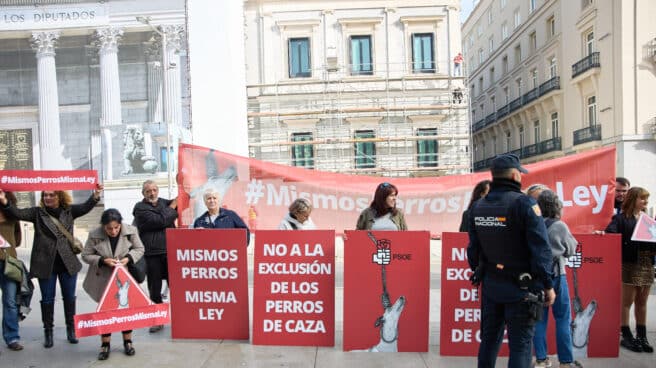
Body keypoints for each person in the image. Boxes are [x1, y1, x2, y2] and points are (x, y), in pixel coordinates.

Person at [467, 153, 555, 368]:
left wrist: (482, 272)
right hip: (522, 288)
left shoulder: (478, 207)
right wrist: (548, 284)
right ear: (516, 175)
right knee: (520, 346)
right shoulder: (525, 204)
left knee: (488, 341)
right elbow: (541, 249)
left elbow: (473, 250)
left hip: (491, 285)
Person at [0, 185, 102, 348]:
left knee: (69, 298)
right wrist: (5, 201)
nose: (47, 198)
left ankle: (71, 330)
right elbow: (17, 213)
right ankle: (48, 332)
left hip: (67, 264)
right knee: (47, 299)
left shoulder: (69, 211)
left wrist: (96, 195)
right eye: (45, 195)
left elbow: (85, 207)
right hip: (45, 264)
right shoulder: (37, 213)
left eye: (51, 195)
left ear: (59, 196)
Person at [81, 209, 144, 360]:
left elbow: (139, 248)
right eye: (109, 228)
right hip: (103, 277)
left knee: (125, 310)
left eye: (116, 227)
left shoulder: (131, 231)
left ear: (120, 224)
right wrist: (102, 261)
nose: (113, 231)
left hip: (124, 275)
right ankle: (105, 344)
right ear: (103, 226)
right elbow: (85, 255)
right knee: (105, 311)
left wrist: (128, 258)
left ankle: (128, 341)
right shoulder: (94, 234)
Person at [532, 190, 581, 368]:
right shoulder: (560, 226)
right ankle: (566, 362)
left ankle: (541, 359)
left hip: (536, 277)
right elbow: (571, 249)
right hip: (556, 275)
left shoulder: (533, 224)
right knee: (562, 319)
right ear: (557, 206)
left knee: (538, 319)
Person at [602, 187, 654, 353]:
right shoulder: (620, 218)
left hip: (646, 263)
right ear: (633, 199)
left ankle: (642, 335)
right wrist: (602, 234)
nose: (645, 201)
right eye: (642, 198)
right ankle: (626, 334)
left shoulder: (648, 219)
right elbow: (610, 234)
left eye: (647, 199)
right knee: (627, 302)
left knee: (642, 302)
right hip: (628, 263)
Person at [132, 180, 177, 333]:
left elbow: (183, 201)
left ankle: (179, 319)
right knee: (154, 288)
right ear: (143, 193)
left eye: (154, 190)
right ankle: (158, 319)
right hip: (152, 254)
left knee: (176, 287)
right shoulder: (140, 208)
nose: (152, 193)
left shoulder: (164, 202)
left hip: (170, 251)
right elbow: (160, 220)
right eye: (148, 191)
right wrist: (171, 209)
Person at [0, 191, 24, 351]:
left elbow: (18, 238)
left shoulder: (12, 213)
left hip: (8, 263)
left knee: (10, 302)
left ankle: (12, 337)